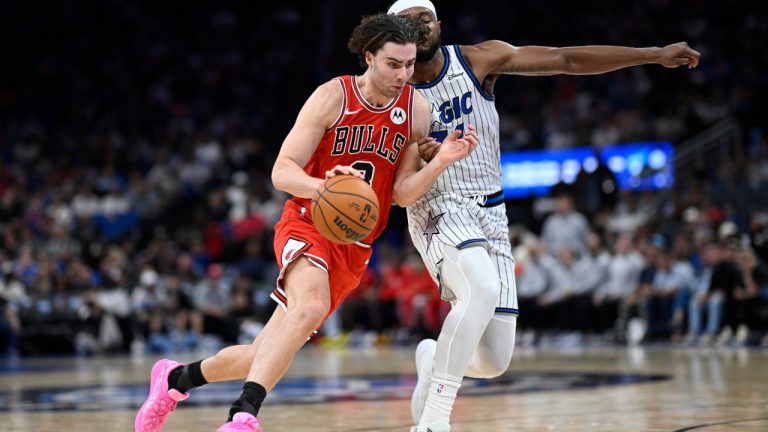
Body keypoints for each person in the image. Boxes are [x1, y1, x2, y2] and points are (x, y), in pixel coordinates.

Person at [134, 13, 479, 432]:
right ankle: (242, 417)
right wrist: (320, 187)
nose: (403, 74)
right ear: (369, 57)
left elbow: (403, 194)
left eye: (409, 65)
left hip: (354, 246)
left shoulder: (416, 109)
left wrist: (440, 162)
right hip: (308, 220)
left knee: (264, 350)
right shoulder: (333, 97)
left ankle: (172, 380)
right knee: (310, 307)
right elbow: (282, 170)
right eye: (393, 64)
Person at [388, 1, 700, 430]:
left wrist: (652, 53)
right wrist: (420, 161)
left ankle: (432, 358)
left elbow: (565, 58)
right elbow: (395, 189)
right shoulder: (393, 95)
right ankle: (435, 422)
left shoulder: (479, 59)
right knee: (478, 288)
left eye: (424, 19)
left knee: (494, 360)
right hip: (437, 209)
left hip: (492, 214)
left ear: (438, 25)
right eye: (406, 22)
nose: (418, 27)